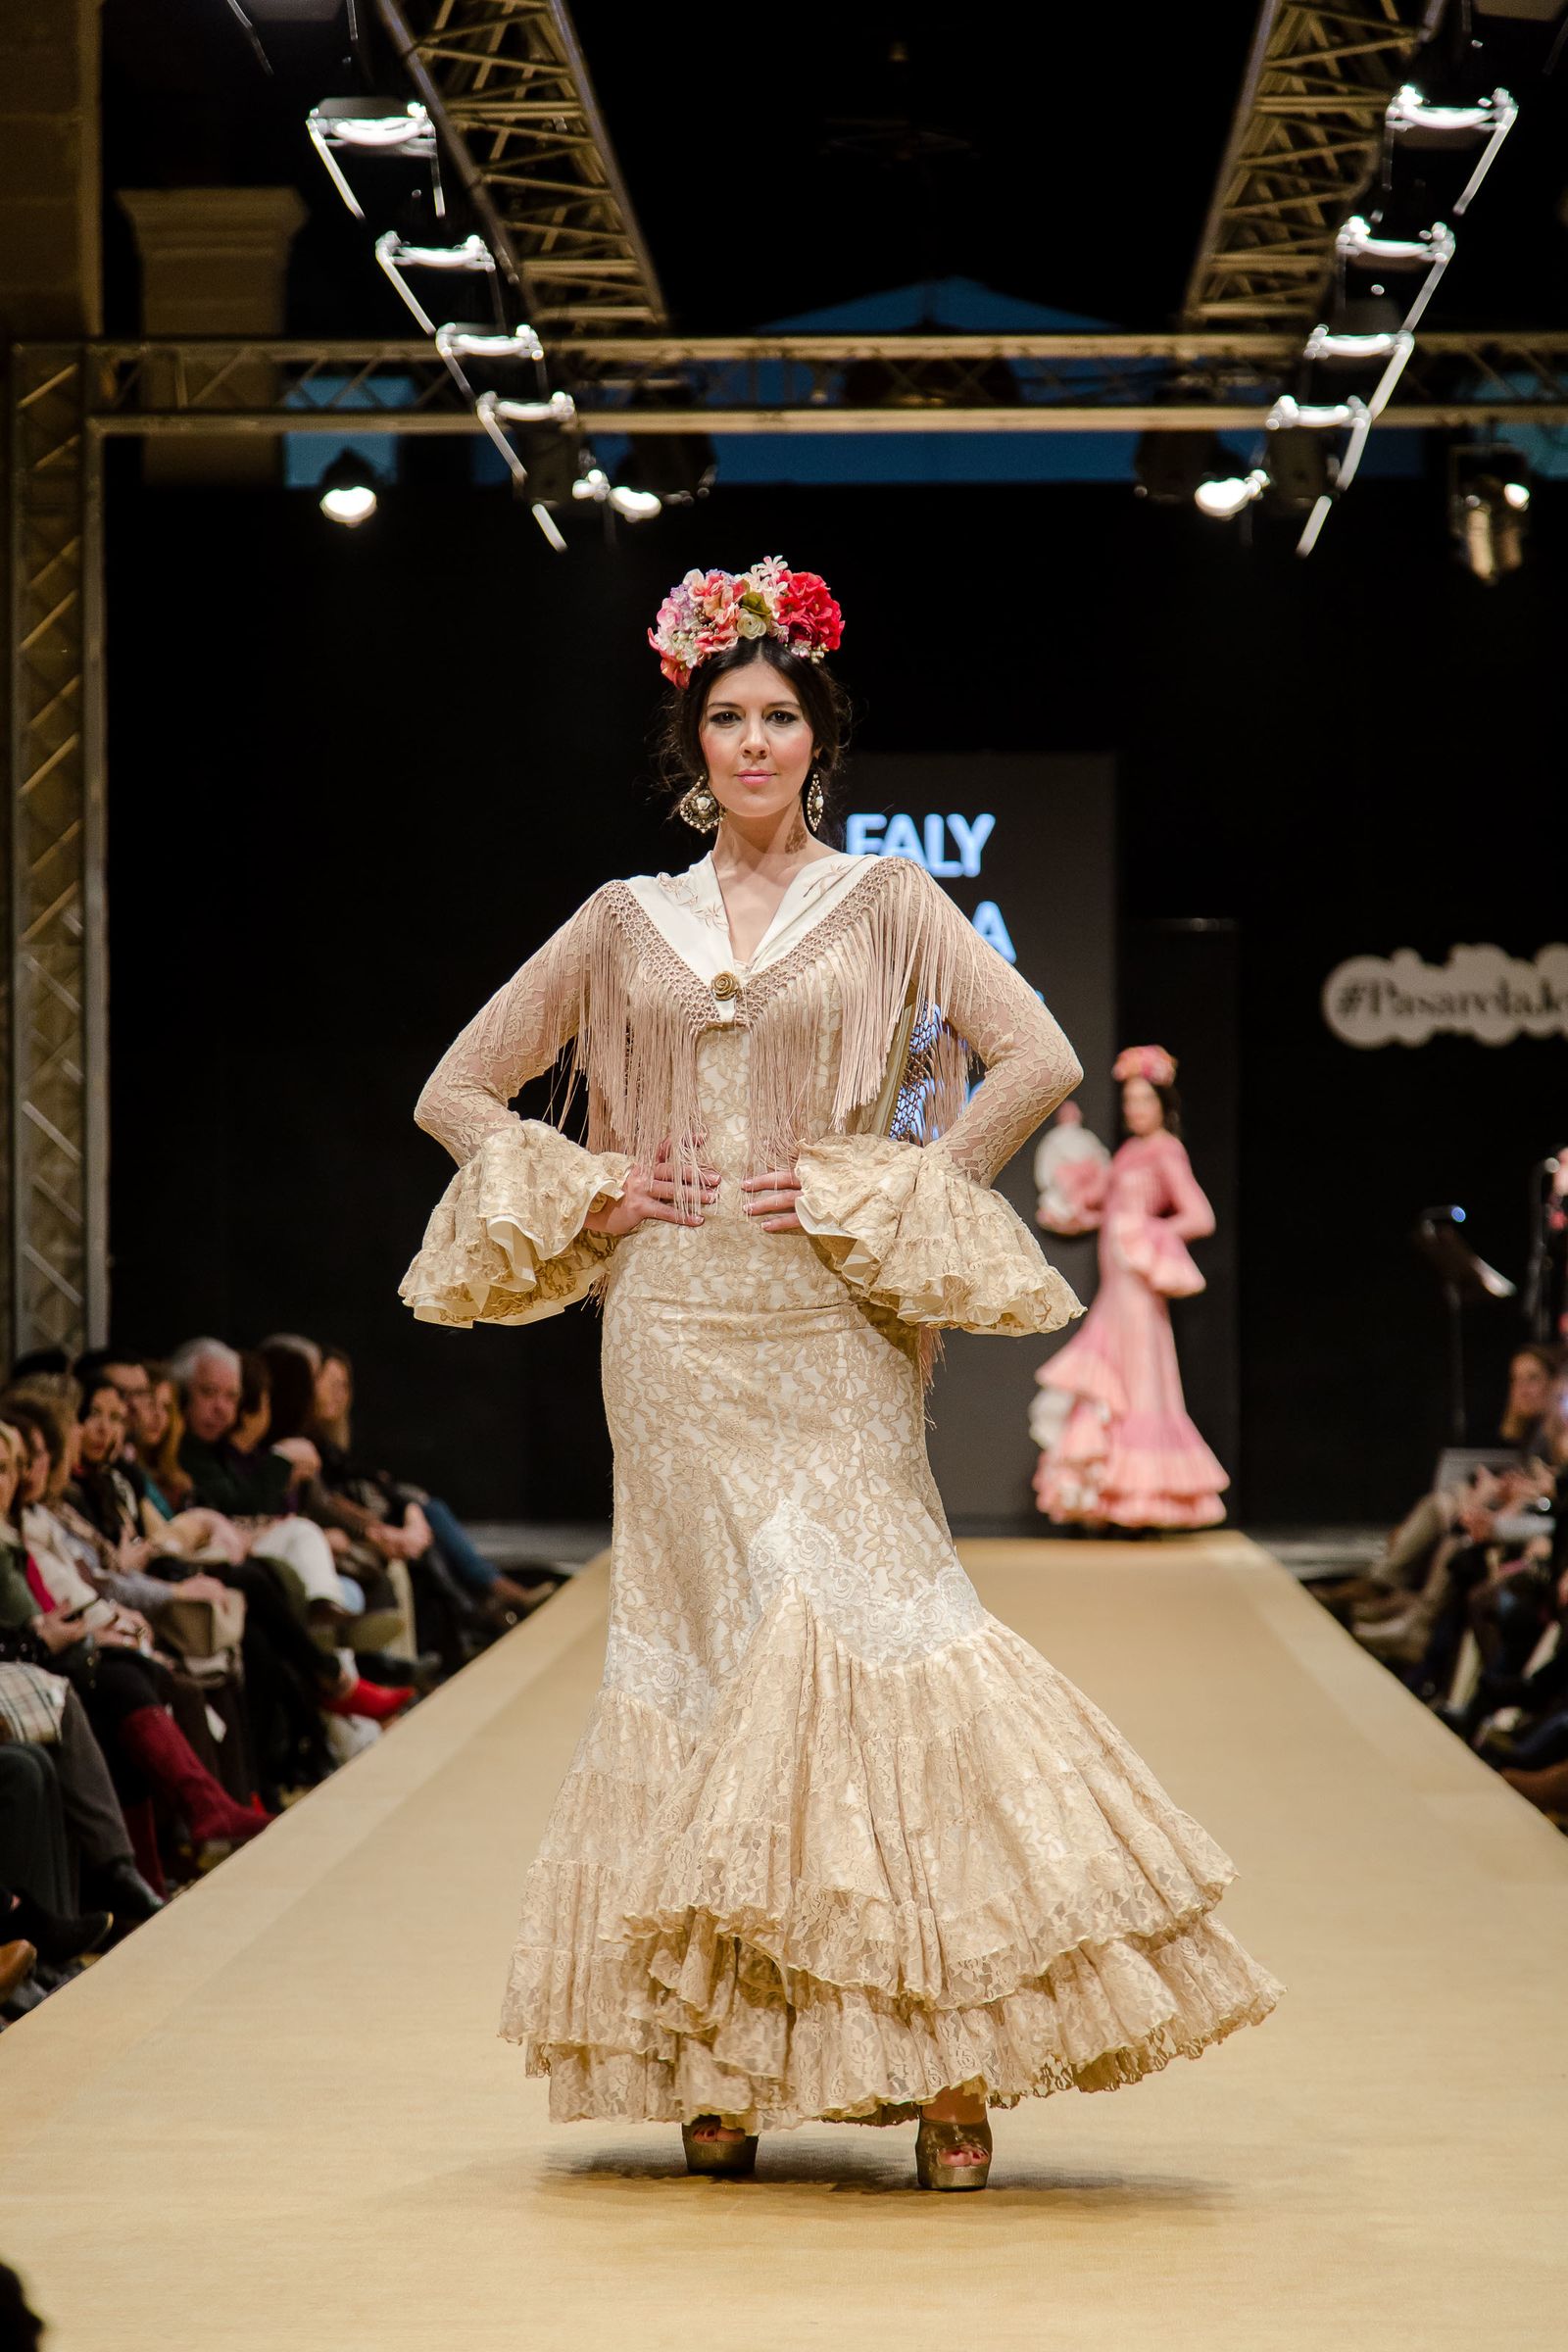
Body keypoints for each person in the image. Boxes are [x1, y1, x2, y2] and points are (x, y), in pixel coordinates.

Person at [401, 557, 1280, 2188]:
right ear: (692, 742)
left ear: (820, 740)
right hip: (668, 1327)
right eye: (727, 718)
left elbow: (1037, 1058)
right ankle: (719, 2061)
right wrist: (597, 1187)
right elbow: (460, 1086)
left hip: (834, 1322)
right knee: (707, 1655)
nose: (753, 743)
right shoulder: (623, 921)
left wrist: (902, 1181)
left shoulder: (886, 903)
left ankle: (950, 2062)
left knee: (881, 1638)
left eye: (779, 718)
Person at [1032, 1047, 1229, 1531]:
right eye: (1129, 1101)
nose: (1135, 1110)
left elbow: (1200, 1217)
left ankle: (1146, 1501)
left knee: (1140, 1386)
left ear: (1163, 1104)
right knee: (1108, 1385)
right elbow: (1109, 1210)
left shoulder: (1166, 1150)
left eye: (1144, 1100)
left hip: (1139, 1294)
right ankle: (1110, 1499)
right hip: (1114, 1292)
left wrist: (1150, 1235)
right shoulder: (1128, 1153)